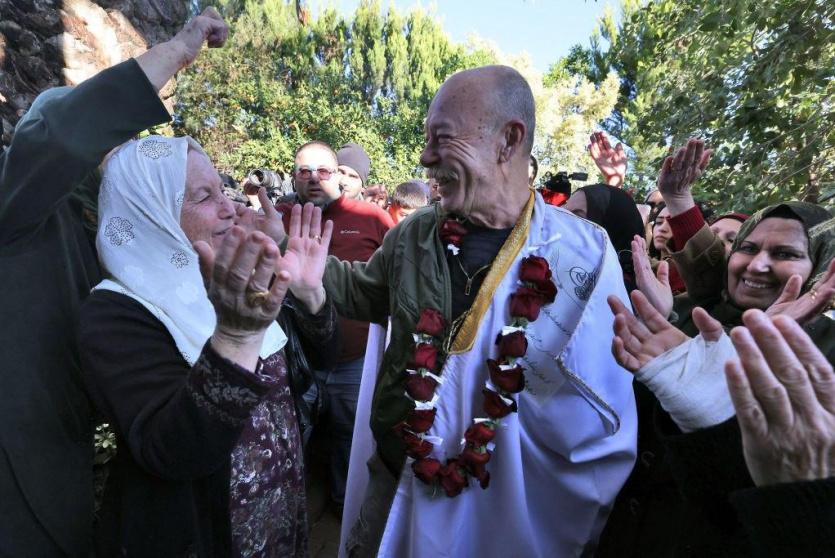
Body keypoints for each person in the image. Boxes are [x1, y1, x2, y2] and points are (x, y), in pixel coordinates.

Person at [284, 65, 636, 557]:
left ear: (508, 141)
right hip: (398, 475)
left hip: (507, 501)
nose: (425, 156)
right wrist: (307, 270)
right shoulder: (415, 233)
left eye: (442, 138)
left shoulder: (583, 255)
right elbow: (367, 293)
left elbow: (599, 410)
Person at [0, 9, 227, 556]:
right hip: (24, 478)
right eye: (105, 118)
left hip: (81, 470)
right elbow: (60, 137)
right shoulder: (20, 204)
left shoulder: (128, 227)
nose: (123, 135)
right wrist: (177, 51)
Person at [78, 135, 337, 556]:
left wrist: (310, 294)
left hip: (278, 516)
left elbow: (322, 359)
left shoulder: (231, 278)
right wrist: (235, 339)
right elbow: (172, 452)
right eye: (204, 196)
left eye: (222, 190)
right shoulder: (114, 314)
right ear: (152, 211)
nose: (230, 207)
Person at [277, 141, 394, 513]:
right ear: (294, 177)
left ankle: (345, 505)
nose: (314, 179)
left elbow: (393, 281)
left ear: (338, 175)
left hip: (353, 358)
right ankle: (289, 507)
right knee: (292, 433)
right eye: (305, 171)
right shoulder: (279, 218)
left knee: (349, 434)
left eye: (324, 171)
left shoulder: (373, 218)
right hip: (296, 358)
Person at [563, 183, 645, 292]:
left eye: (578, 217)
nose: (561, 223)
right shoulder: (550, 270)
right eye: (563, 213)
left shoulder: (626, 295)